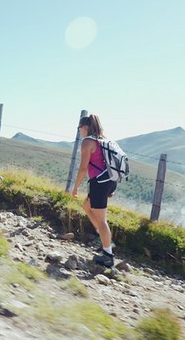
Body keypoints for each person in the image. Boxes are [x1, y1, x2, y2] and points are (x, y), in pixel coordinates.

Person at [71, 114, 117, 268]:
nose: (79, 131)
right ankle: (105, 240)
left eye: (79, 128)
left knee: (102, 219)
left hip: (99, 183)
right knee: (87, 206)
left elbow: (83, 168)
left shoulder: (87, 142)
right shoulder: (103, 140)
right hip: (109, 181)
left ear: (84, 127)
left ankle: (108, 256)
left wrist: (76, 186)